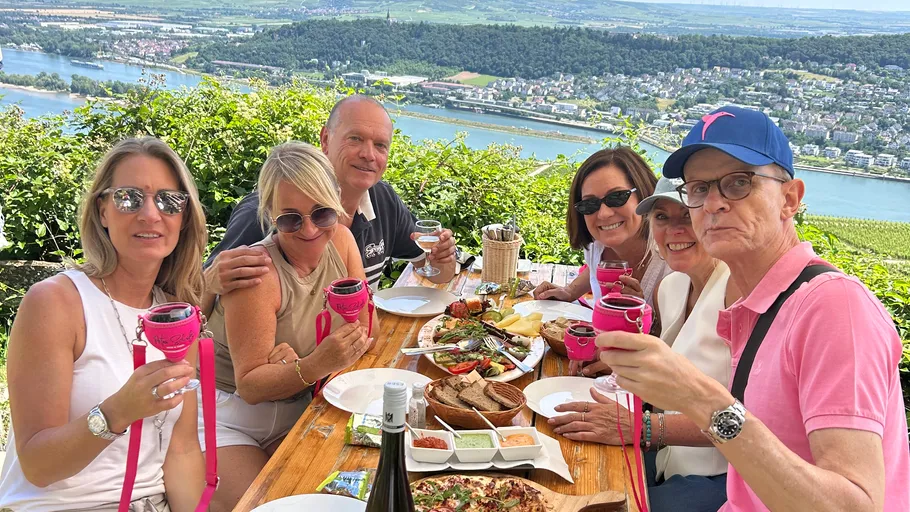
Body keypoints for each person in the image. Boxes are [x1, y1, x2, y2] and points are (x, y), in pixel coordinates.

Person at [596, 106, 910, 511]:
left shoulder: (834, 307)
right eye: (698, 188)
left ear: (790, 199)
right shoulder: (751, 306)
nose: (713, 204)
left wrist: (700, 399)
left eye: (738, 183)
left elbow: (855, 506)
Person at [0, 137, 207, 511]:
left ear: (184, 218)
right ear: (102, 211)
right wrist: (118, 411)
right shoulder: (56, 303)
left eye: (169, 200)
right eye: (128, 198)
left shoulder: (177, 316)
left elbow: (183, 451)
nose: (150, 214)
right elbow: (37, 465)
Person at [548, 176, 740, 512]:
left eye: (686, 215)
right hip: (665, 456)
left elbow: (751, 421)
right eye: (662, 218)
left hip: (723, 477)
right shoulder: (673, 287)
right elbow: (670, 384)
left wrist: (643, 427)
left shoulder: (738, 296)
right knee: (568, 460)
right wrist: (619, 361)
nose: (674, 230)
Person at [203, 142, 373, 511]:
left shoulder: (342, 243)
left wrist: (307, 365)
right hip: (228, 415)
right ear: (270, 217)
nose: (309, 229)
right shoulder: (258, 274)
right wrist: (313, 365)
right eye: (290, 219)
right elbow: (250, 386)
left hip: (300, 402)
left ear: (338, 204)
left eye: (322, 213)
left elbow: (360, 328)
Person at [202, 95, 457, 314]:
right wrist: (209, 280)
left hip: (352, 351)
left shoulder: (384, 202)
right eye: (355, 138)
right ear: (325, 139)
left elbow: (434, 272)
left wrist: (444, 259)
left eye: (380, 145)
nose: (369, 154)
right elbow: (198, 299)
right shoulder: (266, 213)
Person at [533, 147, 671, 328]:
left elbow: (682, 343)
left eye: (616, 197)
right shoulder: (596, 246)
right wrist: (569, 291)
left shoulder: (671, 263)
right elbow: (594, 268)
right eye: (590, 204)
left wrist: (641, 316)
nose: (604, 214)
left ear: (644, 194)